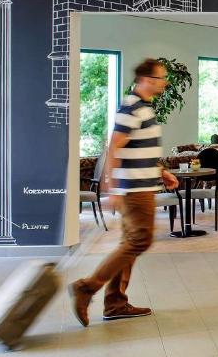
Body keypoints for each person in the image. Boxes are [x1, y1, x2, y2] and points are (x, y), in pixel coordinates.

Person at [70, 58, 178, 326]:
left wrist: (160, 170)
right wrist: (113, 187)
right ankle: (87, 286)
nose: (165, 82)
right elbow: (115, 146)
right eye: (161, 77)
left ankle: (115, 303)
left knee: (129, 243)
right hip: (135, 188)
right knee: (140, 241)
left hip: (141, 184)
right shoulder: (133, 107)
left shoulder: (142, 108)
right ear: (148, 79)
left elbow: (135, 149)